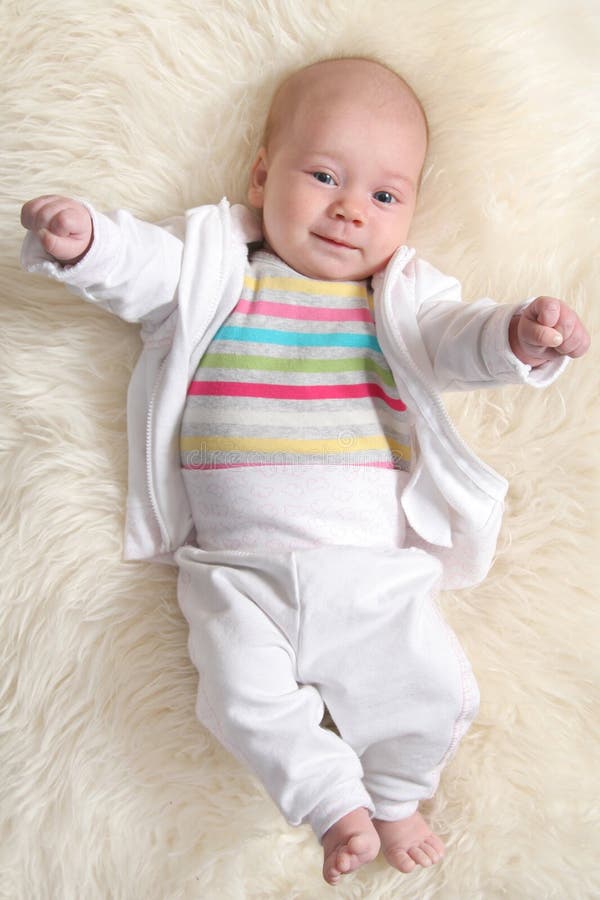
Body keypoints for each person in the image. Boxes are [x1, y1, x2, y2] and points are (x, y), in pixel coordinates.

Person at [20, 57, 590, 886]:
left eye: (385, 196)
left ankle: (396, 795)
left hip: (365, 568)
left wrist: (519, 336)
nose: (350, 208)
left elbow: (458, 338)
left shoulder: (398, 299)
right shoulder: (216, 267)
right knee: (238, 699)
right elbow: (143, 265)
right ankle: (333, 804)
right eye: (324, 175)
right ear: (263, 174)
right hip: (233, 569)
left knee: (429, 689)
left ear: (411, 212)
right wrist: (88, 240)